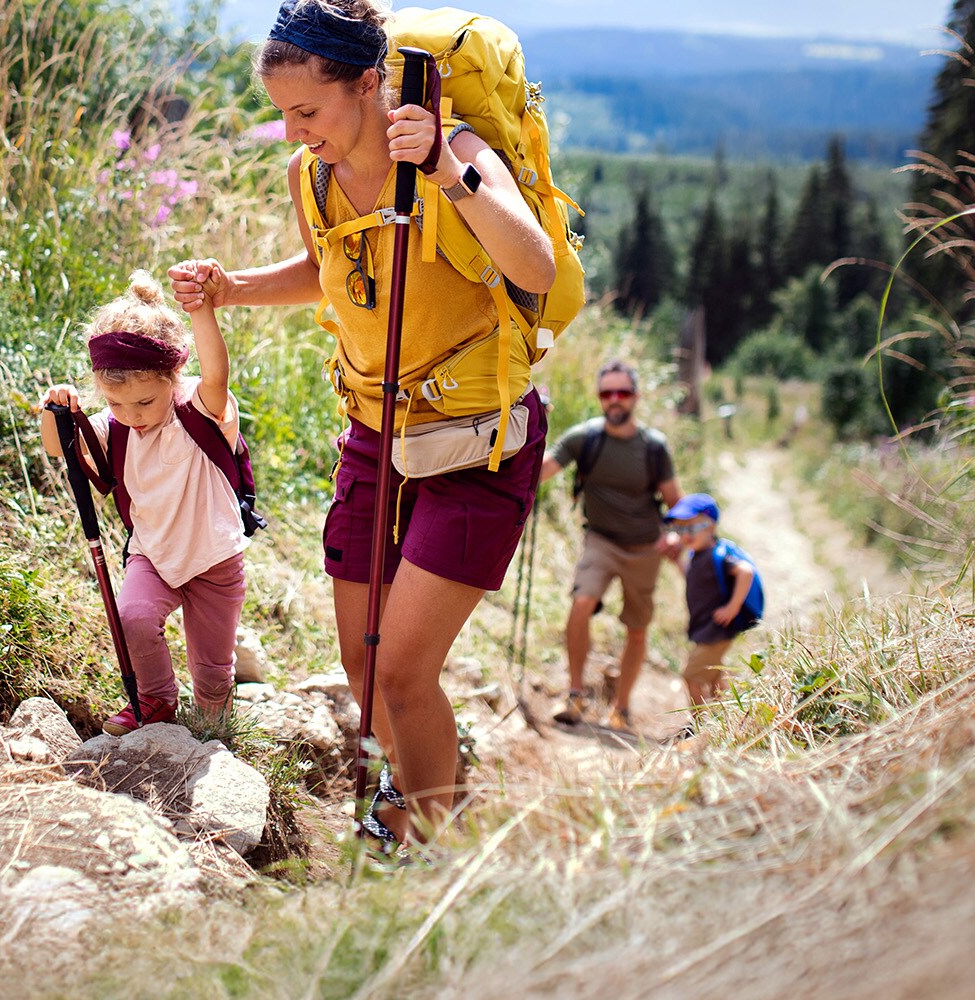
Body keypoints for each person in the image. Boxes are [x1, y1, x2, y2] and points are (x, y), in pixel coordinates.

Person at [167, 0, 557, 845]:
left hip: (476, 442)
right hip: (376, 435)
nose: (292, 133)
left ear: (371, 84)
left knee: (408, 672)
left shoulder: (452, 151)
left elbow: (534, 263)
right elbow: (323, 267)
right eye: (281, 114)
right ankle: (416, 805)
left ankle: (431, 849)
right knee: (365, 666)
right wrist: (233, 289)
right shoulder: (313, 175)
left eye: (306, 111)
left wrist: (451, 177)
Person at [39, 273, 244, 734]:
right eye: (115, 402)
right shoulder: (117, 426)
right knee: (132, 617)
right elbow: (59, 447)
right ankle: (156, 700)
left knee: (212, 667)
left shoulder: (198, 408)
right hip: (153, 552)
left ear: (173, 378)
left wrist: (201, 311)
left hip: (214, 557)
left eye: (145, 402)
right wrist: (53, 410)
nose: (132, 415)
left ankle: (214, 720)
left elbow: (216, 372)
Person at [539, 359, 680, 731]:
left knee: (636, 628)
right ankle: (575, 694)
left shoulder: (653, 447)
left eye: (622, 392)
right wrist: (532, 426)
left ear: (636, 396)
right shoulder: (584, 438)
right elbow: (543, 469)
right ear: (600, 398)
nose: (615, 400)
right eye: (607, 393)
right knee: (581, 602)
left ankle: (621, 708)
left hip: (645, 548)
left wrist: (678, 534)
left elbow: (675, 503)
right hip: (600, 540)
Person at [663, 493, 762, 708]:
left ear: (710, 526)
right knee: (715, 675)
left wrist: (732, 608)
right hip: (706, 628)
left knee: (691, 676)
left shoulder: (716, 555)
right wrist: (676, 562)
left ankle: (700, 723)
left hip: (717, 629)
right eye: (680, 530)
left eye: (691, 528)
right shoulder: (697, 556)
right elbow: (692, 578)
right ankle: (726, 714)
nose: (685, 536)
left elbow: (746, 572)